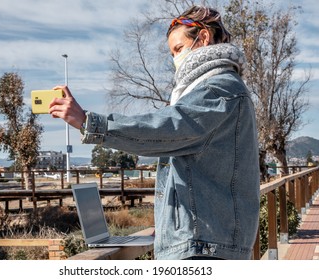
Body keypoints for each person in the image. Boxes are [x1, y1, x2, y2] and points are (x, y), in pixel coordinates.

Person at [49, 5, 260, 260]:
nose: (176, 59)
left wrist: (88, 123)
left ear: (203, 37)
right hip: (207, 241)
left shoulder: (219, 89)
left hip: (205, 246)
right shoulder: (216, 88)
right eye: (172, 53)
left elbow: (171, 128)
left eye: (179, 48)